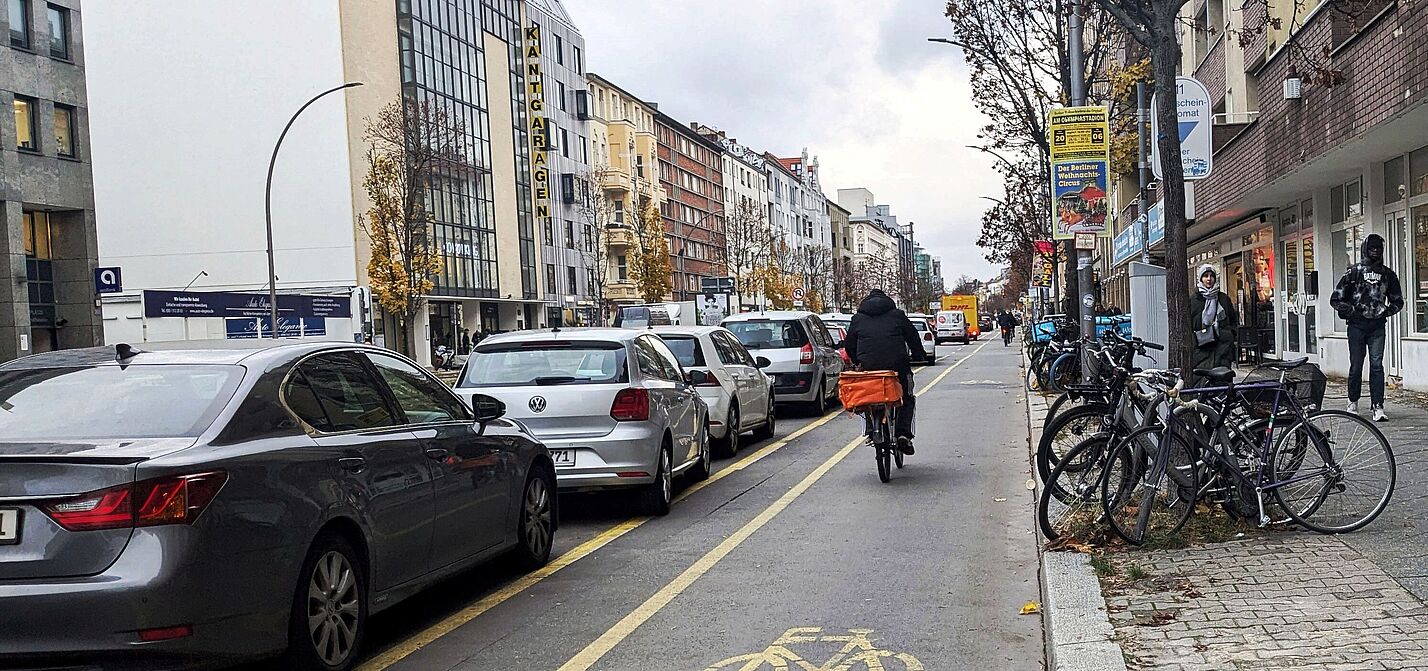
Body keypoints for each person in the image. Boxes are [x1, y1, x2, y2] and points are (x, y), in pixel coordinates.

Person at [1330, 233, 1404, 421]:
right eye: (1372, 248)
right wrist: (1352, 311)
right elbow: (1335, 299)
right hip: (1356, 326)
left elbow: (1398, 300)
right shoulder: (1353, 273)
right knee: (1356, 366)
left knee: (1377, 365)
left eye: (1378, 248)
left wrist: (1385, 311)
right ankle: (1352, 401)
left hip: (1377, 326)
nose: (1375, 251)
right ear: (1365, 249)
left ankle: (1377, 406)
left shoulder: (1388, 274)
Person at [844, 289, 924, 454]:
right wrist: (919, 354)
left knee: (866, 397)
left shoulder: (858, 319)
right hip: (897, 365)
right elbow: (913, 337)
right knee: (906, 396)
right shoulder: (897, 315)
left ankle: (870, 430)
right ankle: (903, 434)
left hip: (869, 366)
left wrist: (857, 361)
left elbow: (849, 345)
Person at [1190, 265, 1239, 372]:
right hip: (1202, 348)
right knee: (1203, 381)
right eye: (1205, 276)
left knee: (1223, 379)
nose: (1209, 279)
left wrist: (1230, 335)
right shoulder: (1193, 300)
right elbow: (1189, 323)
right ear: (1200, 278)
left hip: (1222, 347)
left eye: (1211, 276)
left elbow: (1233, 319)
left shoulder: (1223, 298)